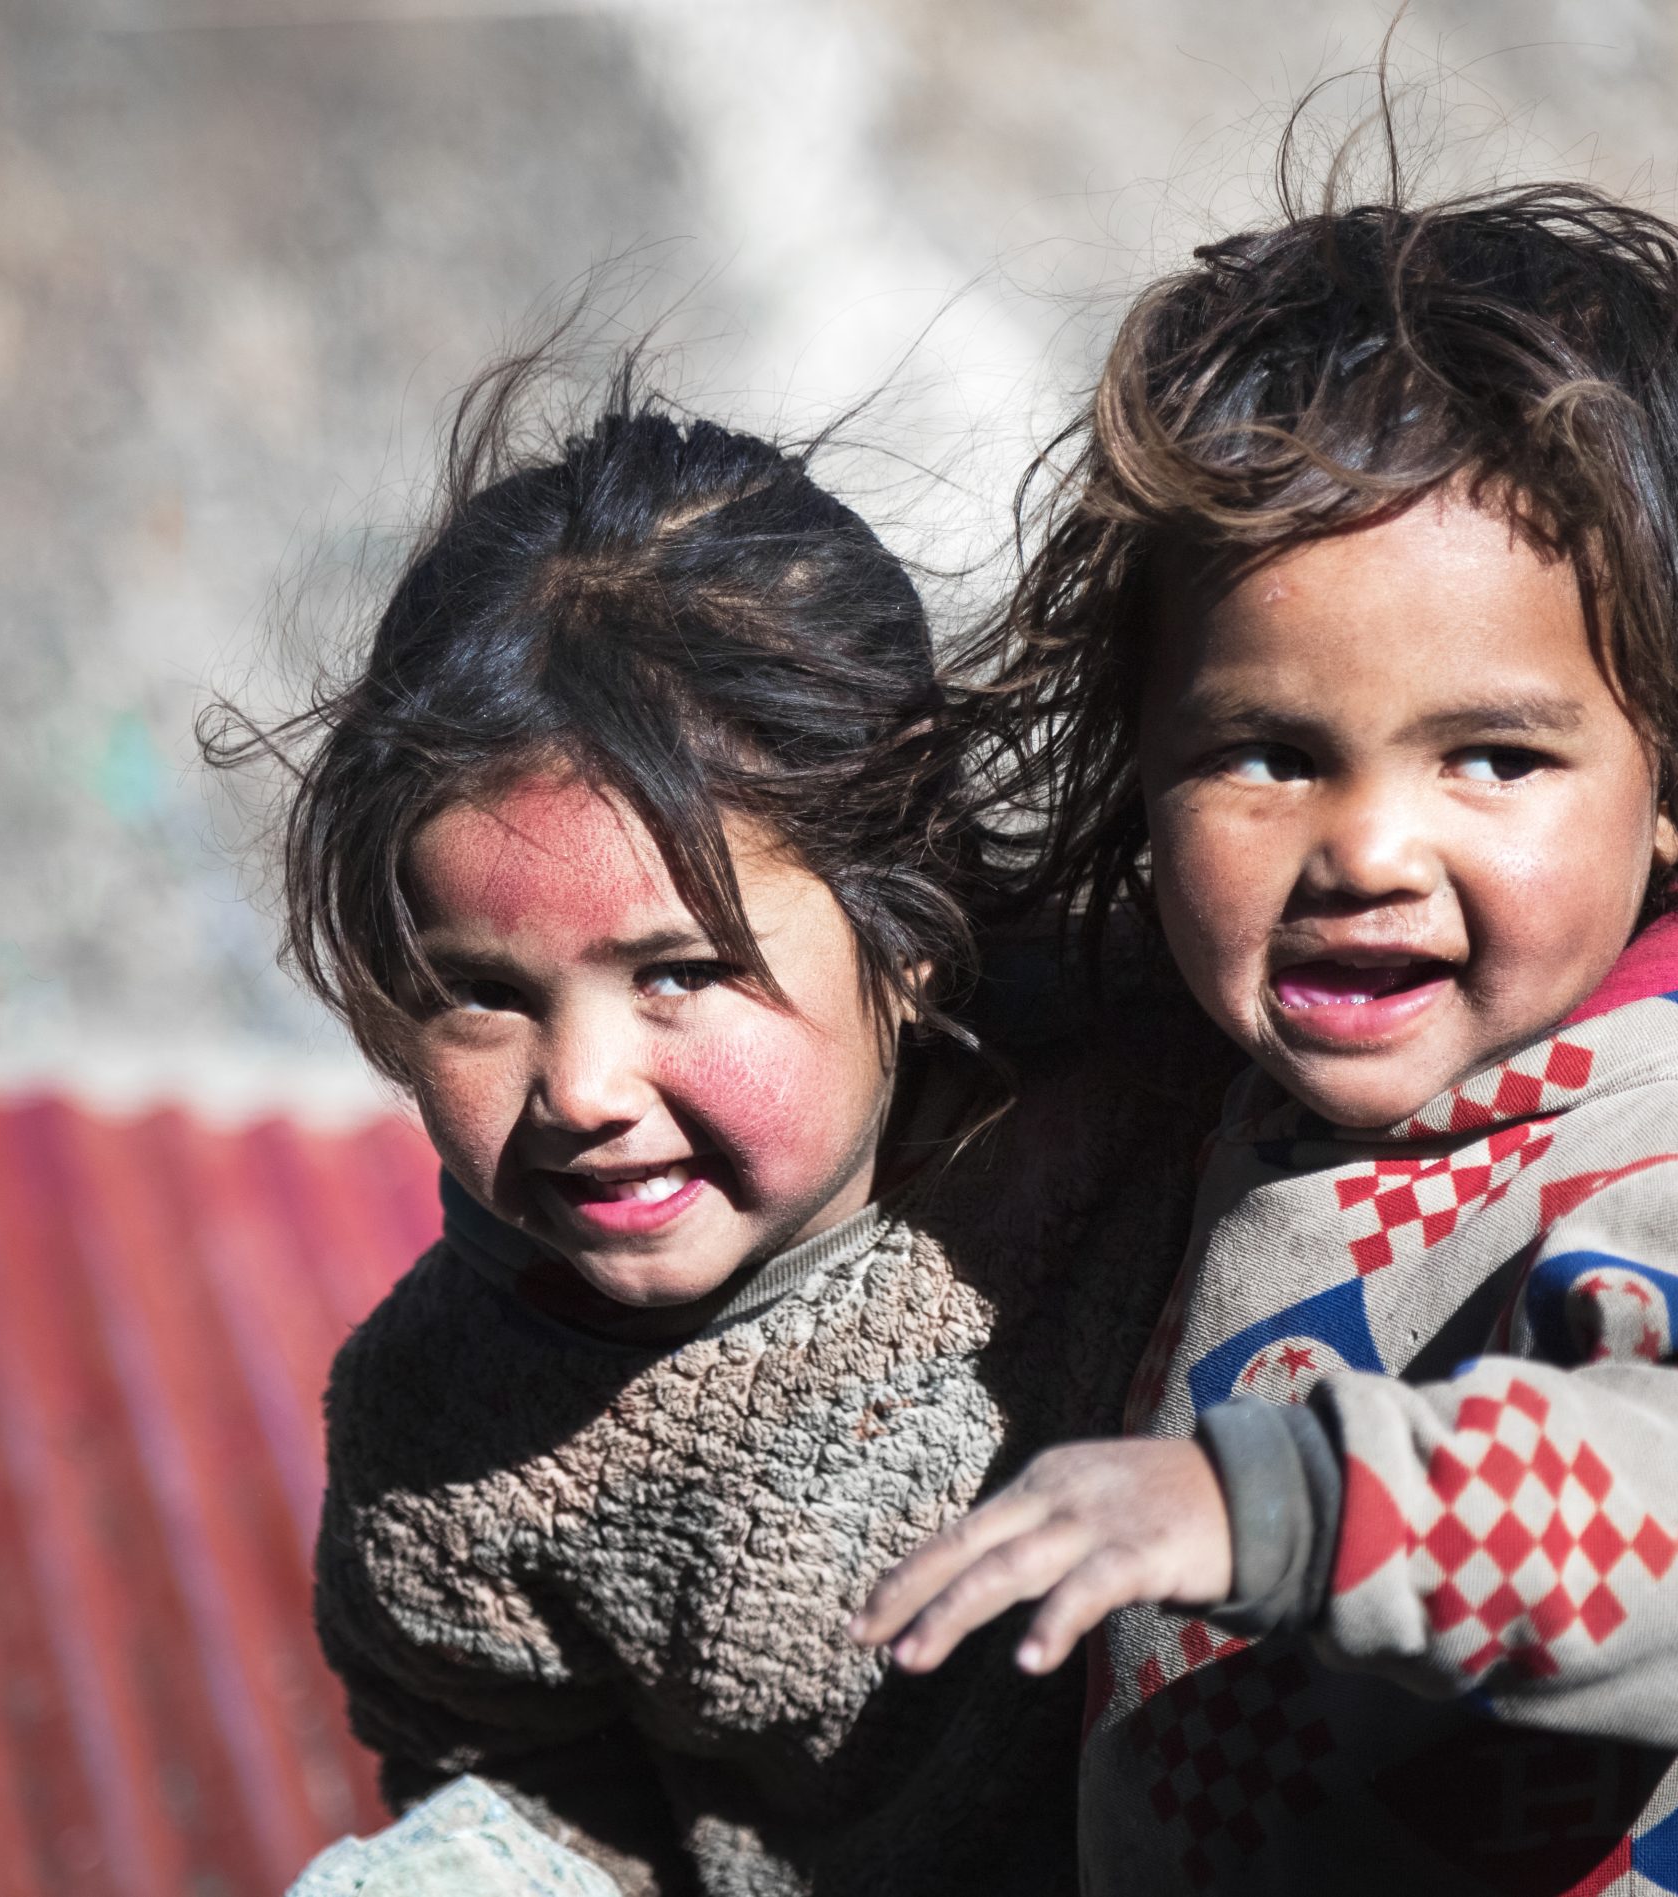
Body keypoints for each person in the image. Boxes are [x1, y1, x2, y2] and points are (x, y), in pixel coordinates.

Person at [852, 177, 1678, 1895]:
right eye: (1267, 750)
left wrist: (1279, 1505)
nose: (1365, 850)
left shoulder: (1663, 1151)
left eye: (1494, 758)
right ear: (1139, 762)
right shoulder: (1249, 1060)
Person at [219, 354, 1236, 1895]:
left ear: (905, 921)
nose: (581, 1087)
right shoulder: (451, 1437)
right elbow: (532, 1802)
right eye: (482, 994)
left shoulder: (1164, 1080)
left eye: (680, 972)